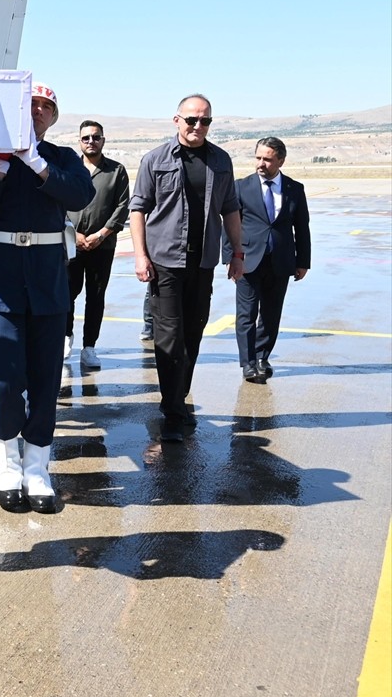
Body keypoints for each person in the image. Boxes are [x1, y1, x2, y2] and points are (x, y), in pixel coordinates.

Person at [0, 82, 95, 513]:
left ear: (54, 117)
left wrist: (36, 163)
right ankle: (6, 462)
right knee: (4, 379)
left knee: (45, 379)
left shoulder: (60, 158)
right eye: (31, 105)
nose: (38, 111)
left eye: (46, 107)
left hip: (45, 279)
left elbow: (80, 195)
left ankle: (38, 465)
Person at [130, 94, 244, 441]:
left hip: (203, 261)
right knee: (169, 337)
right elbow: (138, 209)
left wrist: (237, 252)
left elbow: (231, 209)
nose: (198, 126)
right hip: (165, 261)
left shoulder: (220, 160)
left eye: (205, 121)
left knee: (193, 333)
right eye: (191, 119)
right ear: (176, 120)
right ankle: (173, 412)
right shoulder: (156, 159)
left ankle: (178, 398)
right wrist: (140, 255)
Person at [224, 137, 311, 382]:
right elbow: (230, 225)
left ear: (280, 161)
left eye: (267, 159)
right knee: (246, 313)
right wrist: (230, 257)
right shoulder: (241, 186)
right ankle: (248, 362)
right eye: (258, 158)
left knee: (271, 314)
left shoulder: (295, 189)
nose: (261, 164)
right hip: (247, 260)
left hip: (281, 261)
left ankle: (263, 357)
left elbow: (301, 228)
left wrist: (303, 261)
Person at [65, 120, 130, 369]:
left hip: (102, 246)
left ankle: (89, 347)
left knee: (96, 296)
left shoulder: (117, 171)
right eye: (86, 138)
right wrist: (73, 233)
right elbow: (58, 202)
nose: (91, 141)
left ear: (103, 140)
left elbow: (122, 205)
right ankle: (66, 338)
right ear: (79, 141)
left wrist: (102, 234)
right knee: (67, 294)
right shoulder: (71, 169)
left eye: (95, 137)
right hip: (72, 244)